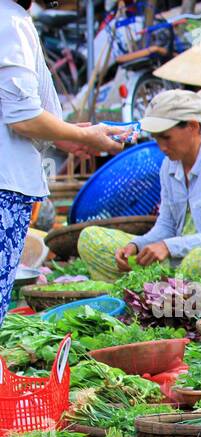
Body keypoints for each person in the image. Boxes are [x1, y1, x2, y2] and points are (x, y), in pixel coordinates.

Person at [0, 0, 123, 318]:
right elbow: (23, 118)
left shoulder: (15, 20)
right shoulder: (9, 22)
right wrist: (83, 136)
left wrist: (68, 134)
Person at [104, 91, 201, 280]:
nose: (161, 147)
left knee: (199, 258)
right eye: (156, 138)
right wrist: (136, 245)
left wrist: (169, 247)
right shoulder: (169, 165)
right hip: (179, 264)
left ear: (193, 127)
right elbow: (166, 226)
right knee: (93, 239)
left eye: (166, 137)